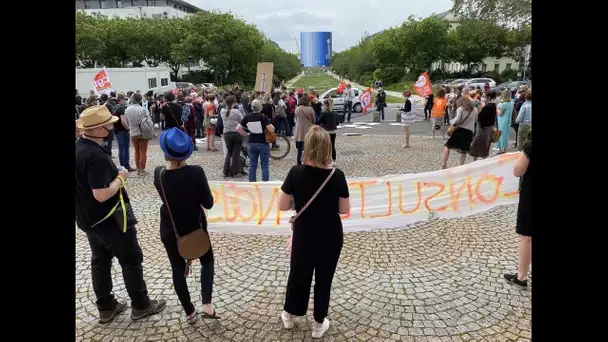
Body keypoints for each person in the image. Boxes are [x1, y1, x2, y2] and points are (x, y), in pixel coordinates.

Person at [75, 105, 166, 324]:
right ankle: (141, 305)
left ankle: (106, 306)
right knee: (131, 259)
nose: (111, 126)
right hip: (109, 219)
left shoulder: (79, 147)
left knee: (100, 261)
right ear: (97, 129)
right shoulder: (94, 155)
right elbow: (101, 194)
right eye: (108, 124)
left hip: (88, 219)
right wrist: (121, 177)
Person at [278, 126, 351, 339]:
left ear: (307, 147)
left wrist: (297, 200)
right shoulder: (337, 176)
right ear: (328, 147)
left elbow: (282, 205)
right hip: (330, 233)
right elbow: (344, 210)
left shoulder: (295, 172)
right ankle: (319, 323)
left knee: (299, 273)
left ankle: (289, 314)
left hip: (304, 232)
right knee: (324, 279)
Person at [153, 128, 218, 323]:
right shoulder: (196, 172)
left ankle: (189, 312)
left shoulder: (159, 174)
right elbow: (208, 203)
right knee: (207, 261)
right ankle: (207, 303)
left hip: (171, 229)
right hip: (195, 226)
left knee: (177, 269)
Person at [504, 138, 532, 288]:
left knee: (526, 237)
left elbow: (517, 171)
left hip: (530, 197)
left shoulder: (530, 146)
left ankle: (521, 276)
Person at [237, 99, 275, 182]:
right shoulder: (263, 116)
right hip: (263, 143)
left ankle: (252, 183)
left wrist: (247, 134)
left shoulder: (247, 117)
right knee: (264, 164)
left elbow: (238, 129)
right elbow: (271, 130)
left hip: (252, 142)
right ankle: (265, 183)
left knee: (252, 164)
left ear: (252, 107)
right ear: (260, 107)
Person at [441, 96, 478, 168]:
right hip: (469, 132)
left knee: (447, 146)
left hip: (460, 130)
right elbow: (475, 120)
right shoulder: (475, 110)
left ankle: (444, 163)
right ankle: (461, 166)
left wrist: (451, 122)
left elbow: (457, 120)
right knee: (464, 150)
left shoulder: (460, 109)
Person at [125, 93, 153, 176]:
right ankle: (142, 169)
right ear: (140, 100)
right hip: (143, 132)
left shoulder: (127, 110)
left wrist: (131, 128)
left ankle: (138, 168)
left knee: (136, 151)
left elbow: (127, 123)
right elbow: (149, 122)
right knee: (143, 151)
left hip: (133, 132)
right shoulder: (143, 110)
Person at [469, 90, 497, 161]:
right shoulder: (493, 106)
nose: (483, 97)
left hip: (483, 129)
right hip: (489, 129)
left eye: (484, 96)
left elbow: (481, 118)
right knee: (485, 146)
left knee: (476, 146)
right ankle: (483, 161)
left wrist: (479, 111)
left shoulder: (487, 107)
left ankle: (475, 162)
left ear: (489, 97)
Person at [221, 95, 244, 177]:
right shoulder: (236, 112)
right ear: (234, 103)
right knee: (236, 153)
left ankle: (226, 170)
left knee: (229, 153)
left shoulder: (222, 111)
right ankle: (235, 171)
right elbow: (242, 121)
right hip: (236, 133)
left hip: (227, 134)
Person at [112, 93, 136, 172]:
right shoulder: (122, 108)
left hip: (116, 130)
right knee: (125, 149)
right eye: (125, 99)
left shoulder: (115, 107)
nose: (126, 101)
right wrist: (128, 128)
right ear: (121, 100)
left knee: (121, 149)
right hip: (122, 131)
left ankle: (122, 165)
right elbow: (123, 120)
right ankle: (126, 166)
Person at [294, 95, 316, 165]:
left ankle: (299, 163)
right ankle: (308, 162)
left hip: (299, 131)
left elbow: (296, 118)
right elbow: (314, 120)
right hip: (308, 130)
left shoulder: (297, 109)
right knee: (309, 148)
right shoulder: (310, 109)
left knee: (299, 150)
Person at [318, 99, 338, 165]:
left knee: (325, 146)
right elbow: (337, 122)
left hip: (326, 131)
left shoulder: (323, 113)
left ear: (326, 105)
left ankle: (326, 159)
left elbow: (319, 121)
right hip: (333, 131)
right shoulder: (335, 112)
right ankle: (334, 160)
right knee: (332, 145)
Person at [496, 89, 514, 154]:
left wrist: (497, 108)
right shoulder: (512, 103)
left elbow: (500, 114)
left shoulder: (504, 104)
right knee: (506, 135)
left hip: (502, 121)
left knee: (501, 135)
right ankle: (504, 149)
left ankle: (501, 150)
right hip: (508, 121)